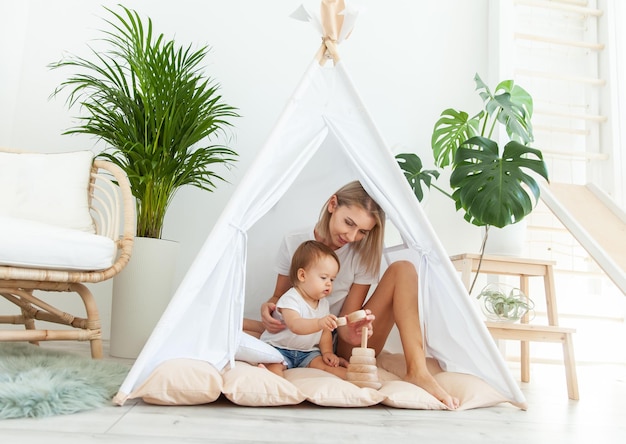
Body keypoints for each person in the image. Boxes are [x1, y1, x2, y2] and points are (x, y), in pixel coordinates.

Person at [244, 180, 459, 409]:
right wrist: (268, 308)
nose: (352, 235)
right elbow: (279, 297)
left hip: (341, 340)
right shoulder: (294, 241)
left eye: (363, 231)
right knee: (238, 324)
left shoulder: (362, 253)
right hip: (301, 329)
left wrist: (356, 330)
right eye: (349, 223)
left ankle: (418, 371)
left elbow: (347, 320)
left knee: (404, 269)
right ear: (332, 204)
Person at [259, 240, 347, 379]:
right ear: (302, 276)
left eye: (332, 279)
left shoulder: (323, 304)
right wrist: (319, 323)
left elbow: (325, 333)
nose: (328, 283)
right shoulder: (290, 298)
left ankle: (357, 380)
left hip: (307, 352)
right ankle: (275, 385)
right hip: (279, 349)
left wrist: (328, 353)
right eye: (324, 277)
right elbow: (295, 325)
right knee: (274, 367)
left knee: (327, 367)